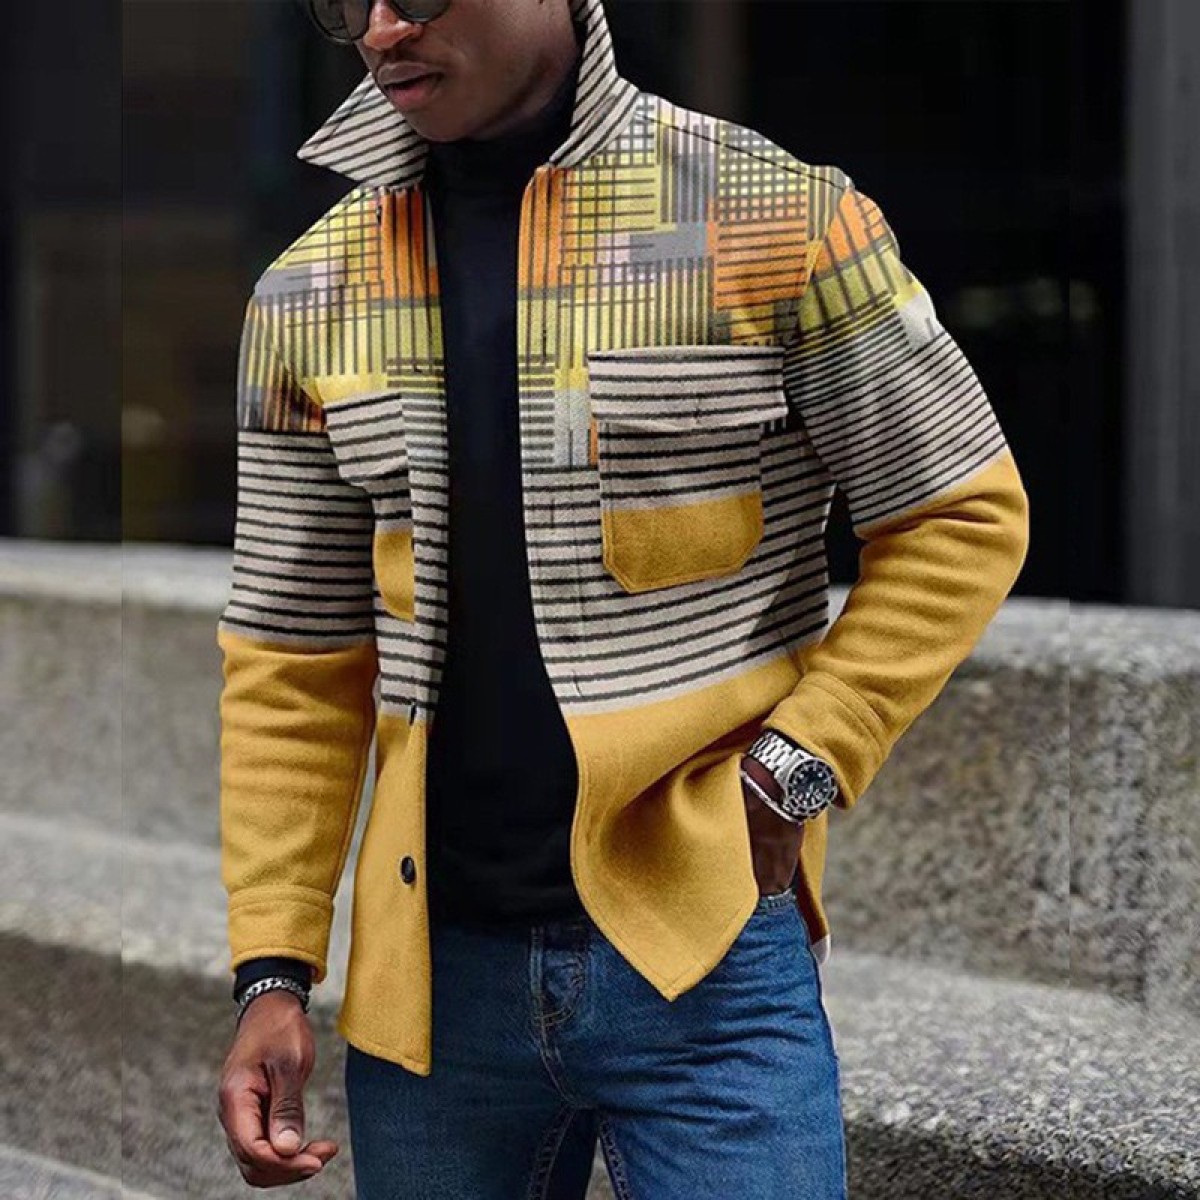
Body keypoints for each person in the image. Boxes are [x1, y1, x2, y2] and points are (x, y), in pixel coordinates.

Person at [215, 0, 1030, 1195]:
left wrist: (802, 762)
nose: (381, 30)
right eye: (350, 2)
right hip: (433, 991)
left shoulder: (778, 219)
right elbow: (294, 662)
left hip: (706, 957)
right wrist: (272, 969)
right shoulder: (308, 293)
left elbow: (959, 511)